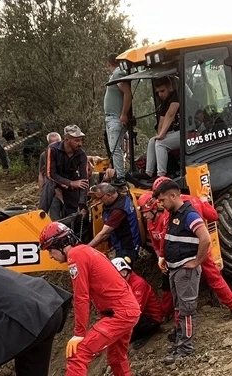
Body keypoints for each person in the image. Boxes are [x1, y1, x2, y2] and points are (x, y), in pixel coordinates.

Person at [38, 222, 140, 376]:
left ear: (60, 244)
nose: (51, 256)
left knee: (79, 353)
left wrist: (79, 334)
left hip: (120, 313)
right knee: (116, 355)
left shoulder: (76, 255)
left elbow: (81, 297)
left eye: (50, 250)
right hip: (126, 310)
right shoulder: (87, 251)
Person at [139, 183, 232, 320]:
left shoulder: (172, 211)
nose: (161, 203)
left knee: (176, 288)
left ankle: (171, 319)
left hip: (184, 253)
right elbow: (213, 216)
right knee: (214, 278)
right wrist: (204, 201)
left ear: (170, 194)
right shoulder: (192, 201)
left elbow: (165, 235)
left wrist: (162, 255)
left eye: (162, 199)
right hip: (200, 250)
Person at [154, 178, 211, 364]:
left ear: (173, 195)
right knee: (179, 308)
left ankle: (186, 349)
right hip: (175, 269)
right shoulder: (174, 213)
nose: (160, 204)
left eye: (162, 200)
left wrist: (196, 261)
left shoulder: (189, 215)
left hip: (185, 270)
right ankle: (180, 343)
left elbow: (206, 239)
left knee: (186, 310)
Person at [111, 257, 166, 348]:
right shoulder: (123, 284)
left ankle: (150, 332)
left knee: (124, 336)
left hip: (151, 318)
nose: (123, 276)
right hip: (138, 315)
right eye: (119, 275)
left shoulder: (138, 284)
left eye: (124, 273)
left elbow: (136, 309)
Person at [41, 125, 89, 220]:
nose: (80, 144)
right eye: (76, 140)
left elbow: (84, 180)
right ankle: (41, 215)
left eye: (81, 140)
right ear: (66, 139)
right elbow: (50, 174)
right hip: (55, 182)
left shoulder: (81, 154)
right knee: (49, 185)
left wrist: (82, 204)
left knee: (74, 214)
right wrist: (70, 183)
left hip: (72, 184)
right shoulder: (53, 149)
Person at [86, 182, 141, 263]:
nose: (99, 201)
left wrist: (86, 248)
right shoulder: (119, 196)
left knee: (120, 272)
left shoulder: (118, 210)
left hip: (127, 247)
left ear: (109, 195)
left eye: (100, 198)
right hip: (120, 241)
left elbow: (104, 234)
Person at [143, 77, 181, 179]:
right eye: (158, 92)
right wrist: (159, 134)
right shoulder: (164, 102)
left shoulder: (176, 96)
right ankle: (148, 173)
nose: (160, 94)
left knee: (161, 144)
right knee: (152, 141)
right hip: (175, 133)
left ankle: (161, 175)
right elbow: (162, 121)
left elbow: (170, 114)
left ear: (169, 87)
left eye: (162, 91)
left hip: (186, 132)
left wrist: (162, 135)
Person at [104, 53, 132, 184]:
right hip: (111, 117)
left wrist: (124, 114)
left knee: (115, 148)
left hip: (116, 118)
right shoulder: (114, 75)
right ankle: (118, 173)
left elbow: (127, 93)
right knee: (113, 148)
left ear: (109, 64)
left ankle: (120, 177)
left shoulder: (118, 74)